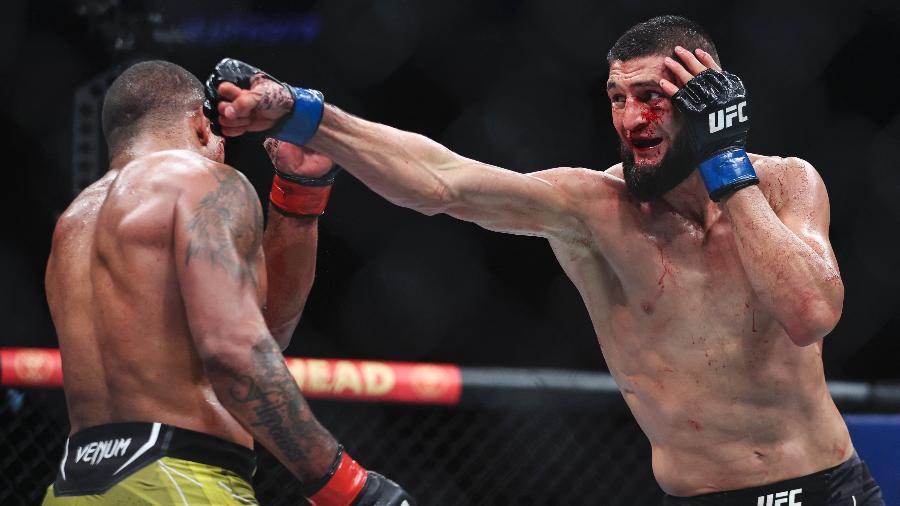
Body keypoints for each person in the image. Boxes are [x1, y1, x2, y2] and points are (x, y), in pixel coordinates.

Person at [205, 15, 884, 505]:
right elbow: (445, 183)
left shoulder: (786, 183)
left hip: (824, 488)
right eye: (618, 98)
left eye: (652, 96)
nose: (630, 119)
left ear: (709, 101)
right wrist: (302, 113)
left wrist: (726, 164)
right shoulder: (595, 208)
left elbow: (809, 312)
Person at [42, 60, 412, 505]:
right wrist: (342, 483)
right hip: (180, 482)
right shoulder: (202, 181)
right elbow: (237, 350)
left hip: (72, 485)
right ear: (200, 124)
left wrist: (300, 192)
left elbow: (263, 327)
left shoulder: (72, 225)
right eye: (217, 132)